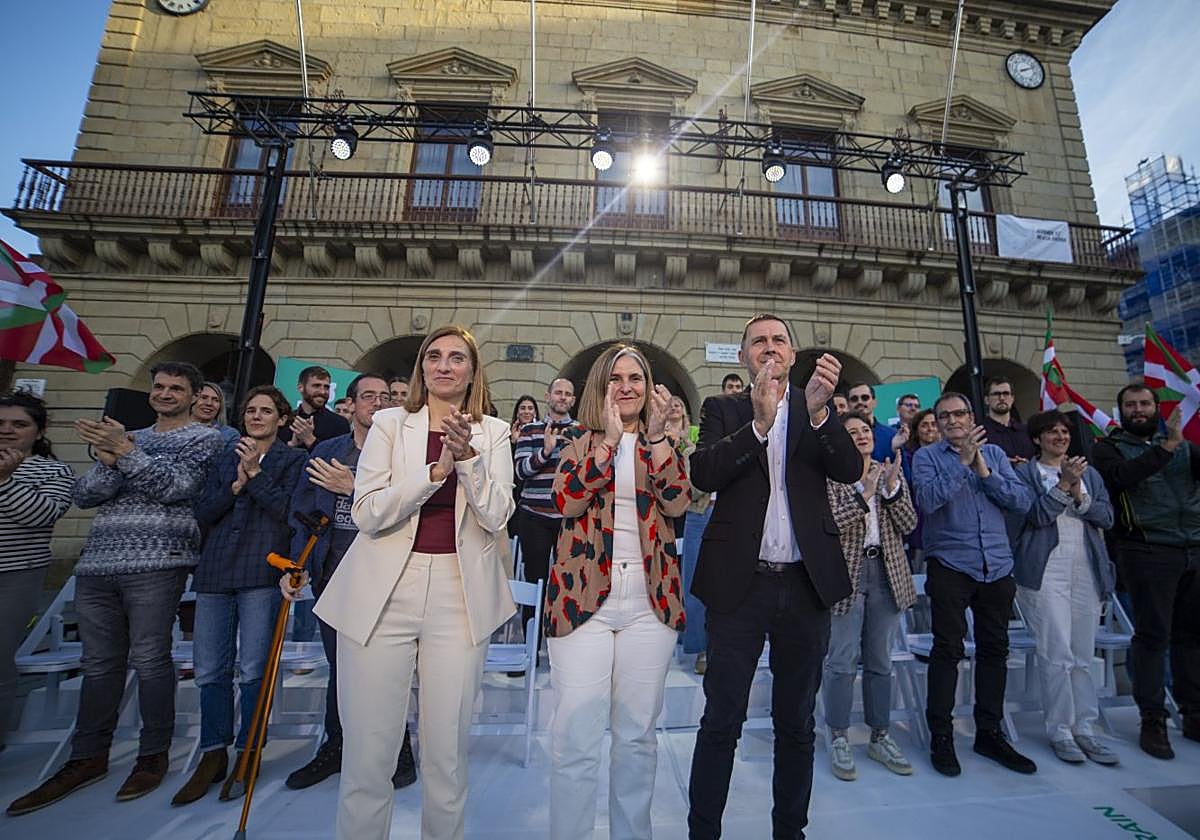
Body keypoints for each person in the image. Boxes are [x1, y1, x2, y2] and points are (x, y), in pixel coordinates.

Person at [314, 325, 515, 840]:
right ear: (422, 368)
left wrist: (467, 461)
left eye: (457, 358)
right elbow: (367, 512)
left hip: (460, 594)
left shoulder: (492, 432)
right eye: (434, 357)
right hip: (383, 591)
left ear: (472, 371)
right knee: (369, 754)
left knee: (446, 755)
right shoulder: (388, 423)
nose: (444, 365)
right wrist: (433, 472)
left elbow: (495, 515)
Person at [8, 362, 225, 816]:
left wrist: (124, 452)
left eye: (176, 388)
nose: (165, 394)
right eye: (159, 387)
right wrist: (111, 459)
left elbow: (175, 487)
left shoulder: (203, 438)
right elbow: (85, 495)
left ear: (193, 395)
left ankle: (152, 753)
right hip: (99, 560)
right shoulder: (130, 437)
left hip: (158, 559)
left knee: (149, 659)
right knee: (98, 663)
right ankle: (87, 755)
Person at [687, 314, 861, 840]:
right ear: (743, 357)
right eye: (758, 341)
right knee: (722, 721)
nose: (769, 348)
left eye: (778, 340)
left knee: (796, 724)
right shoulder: (724, 409)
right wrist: (760, 426)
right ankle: (703, 832)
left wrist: (820, 414)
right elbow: (704, 471)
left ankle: (791, 831)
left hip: (806, 586)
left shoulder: (816, 408)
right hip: (739, 588)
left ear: (793, 354)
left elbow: (849, 470)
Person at [545, 344, 691, 839]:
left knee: (636, 738)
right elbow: (565, 502)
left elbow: (677, 503)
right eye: (616, 377)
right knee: (575, 739)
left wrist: (657, 440)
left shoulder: (663, 442)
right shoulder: (577, 440)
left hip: (650, 600)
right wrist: (607, 444)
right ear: (599, 386)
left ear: (649, 388)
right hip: (581, 598)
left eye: (636, 377)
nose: (626, 386)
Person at [279, 373, 417, 792]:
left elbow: (411, 509)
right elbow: (302, 512)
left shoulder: (404, 454)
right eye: (368, 396)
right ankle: (336, 746)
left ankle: (400, 752)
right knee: (342, 667)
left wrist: (353, 487)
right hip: (333, 571)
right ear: (352, 404)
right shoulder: (327, 450)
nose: (377, 403)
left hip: (388, 574)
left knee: (387, 671)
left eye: (385, 397)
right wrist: (293, 564)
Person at [171, 385, 307, 805]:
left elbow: (290, 512)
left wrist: (257, 476)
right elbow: (202, 512)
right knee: (210, 667)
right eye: (250, 410)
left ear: (281, 420)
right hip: (215, 570)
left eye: (266, 411)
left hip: (261, 572)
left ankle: (248, 751)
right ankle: (212, 753)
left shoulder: (294, 460)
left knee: (253, 668)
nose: (256, 416)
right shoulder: (222, 456)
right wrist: (234, 485)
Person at [911, 391, 1034, 778]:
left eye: (958, 414)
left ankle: (989, 732)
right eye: (944, 416)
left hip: (996, 564)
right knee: (947, 649)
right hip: (950, 562)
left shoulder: (995, 455)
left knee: (995, 649)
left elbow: (1021, 501)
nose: (951, 421)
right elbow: (927, 502)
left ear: (970, 416)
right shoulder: (927, 457)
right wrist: (960, 464)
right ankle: (942, 736)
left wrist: (983, 471)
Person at [1092, 384, 1200, 760]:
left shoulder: (1184, 445)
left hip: (1192, 548)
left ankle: (1193, 711)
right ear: (1120, 410)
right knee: (1153, 637)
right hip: (1147, 549)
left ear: (1157, 407)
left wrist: (1175, 444)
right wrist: (1165, 448)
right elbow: (1121, 478)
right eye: (1130, 405)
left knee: (1191, 637)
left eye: (1145, 404)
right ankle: (1152, 718)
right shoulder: (1109, 447)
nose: (1138, 410)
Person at [1010, 410, 1118, 766]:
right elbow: (1035, 516)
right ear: (1038, 438)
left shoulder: (1092, 475)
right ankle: (1060, 730)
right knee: (1056, 652)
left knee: (1083, 654)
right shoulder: (1025, 474)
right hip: (1045, 569)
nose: (1059, 436)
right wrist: (1061, 486)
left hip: (1086, 565)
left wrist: (1079, 493)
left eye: (1064, 431)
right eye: (1051, 432)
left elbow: (1106, 517)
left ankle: (1085, 728)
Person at [823, 413, 917, 781]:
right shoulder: (829, 476)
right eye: (852, 432)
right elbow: (829, 525)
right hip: (846, 575)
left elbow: (909, 525)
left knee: (880, 660)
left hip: (886, 574)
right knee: (842, 660)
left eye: (865, 430)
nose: (861, 436)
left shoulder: (888, 469)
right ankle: (839, 736)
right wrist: (864, 495)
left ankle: (880, 735)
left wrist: (891, 491)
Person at [0, 392, 74, 753]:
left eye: (19, 424)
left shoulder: (53, 470)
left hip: (15, 573)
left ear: (38, 430)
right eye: (2, 424)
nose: (8, 431)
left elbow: (41, 516)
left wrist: (5, 481)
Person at [513, 377, 578, 659]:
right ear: (548, 395)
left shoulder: (581, 432)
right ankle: (529, 649)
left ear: (573, 400)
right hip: (534, 516)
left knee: (568, 585)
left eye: (567, 394)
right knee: (535, 581)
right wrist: (546, 452)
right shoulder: (530, 429)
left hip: (568, 518)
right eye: (558, 392)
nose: (562, 397)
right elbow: (520, 471)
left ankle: (562, 652)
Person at [283, 365, 350, 451]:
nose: (322, 391)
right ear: (301, 388)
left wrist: (310, 439)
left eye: (326, 387)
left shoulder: (340, 423)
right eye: (316, 386)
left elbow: (339, 458)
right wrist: (292, 445)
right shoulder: (286, 420)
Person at [980, 376, 1035, 463]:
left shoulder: (1026, 431)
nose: (1002, 398)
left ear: (1012, 399)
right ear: (987, 400)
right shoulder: (980, 432)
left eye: (1006, 393)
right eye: (996, 394)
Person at [507, 395, 540, 540]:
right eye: (523, 408)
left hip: (532, 490)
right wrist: (514, 442)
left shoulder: (541, 434)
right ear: (517, 412)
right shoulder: (506, 434)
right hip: (512, 488)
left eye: (530, 408)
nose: (526, 411)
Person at [847, 382, 896, 463]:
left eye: (865, 398)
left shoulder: (892, 435)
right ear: (848, 404)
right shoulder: (841, 435)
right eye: (854, 399)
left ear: (874, 402)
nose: (860, 402)